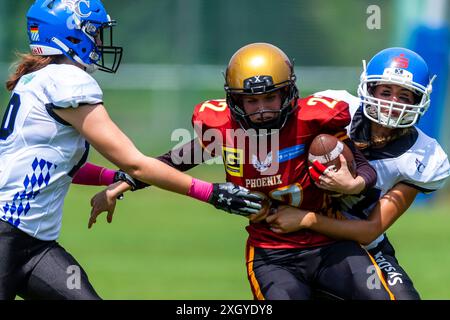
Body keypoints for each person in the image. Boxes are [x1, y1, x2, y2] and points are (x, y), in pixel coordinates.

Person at [0, 0, 262, 300]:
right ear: (71, 35)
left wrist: (111, 178)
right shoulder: (67, 82)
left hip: (35, 244)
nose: (99, 41)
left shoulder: (38, 79)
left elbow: (58, 165)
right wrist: (212, 193)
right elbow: (136, 163)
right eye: (94, 33)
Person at [91, 43, 396, 300]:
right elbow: (176, 159)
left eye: (269, 98)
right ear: (235, 100)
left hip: (330, 243)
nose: (261, 108)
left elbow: (365, 168)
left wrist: (354, 184)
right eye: (251, 100)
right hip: (273, 255)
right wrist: (128, 180)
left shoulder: (312, 121)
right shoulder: (224, 128)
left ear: (288, 93)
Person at [266, 47, 450, 299]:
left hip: (361, 243)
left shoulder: (425, 157)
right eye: (385, 92)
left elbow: (370, 230)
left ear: (419, 101)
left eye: (404, 96)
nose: (392, 103)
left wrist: (306, 218)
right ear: (369, 89)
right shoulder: (336, 109)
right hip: (300, 240)